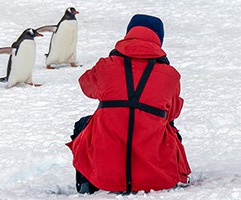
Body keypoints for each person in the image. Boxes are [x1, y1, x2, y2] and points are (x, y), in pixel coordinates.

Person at [66, 14, 191, 194]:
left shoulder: (107, 66)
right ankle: (159, 171)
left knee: (83, 125)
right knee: (168, 126)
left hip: (105, 175)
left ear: (128, 34)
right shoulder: (170, 75)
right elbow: (173, 112)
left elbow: (86, 86)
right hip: (154, 176)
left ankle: (88, 181)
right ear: (159, 40)